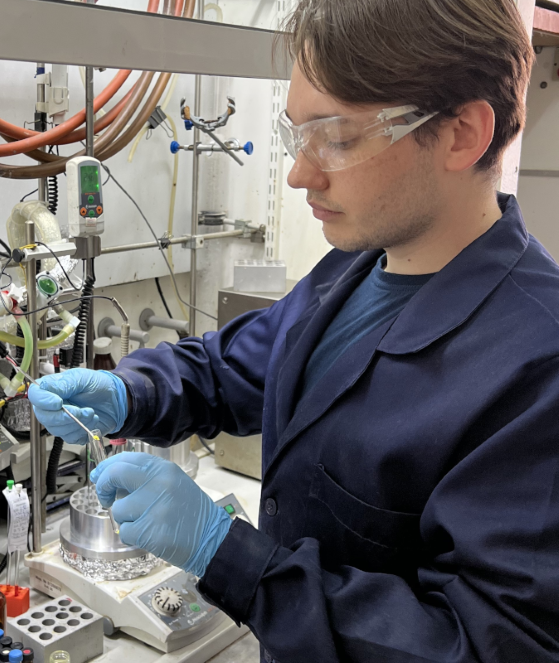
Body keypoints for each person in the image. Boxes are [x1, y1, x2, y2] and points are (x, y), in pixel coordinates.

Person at [28, 1, 556, 660]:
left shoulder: (538, 367)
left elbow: (484, 645)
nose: (299, 172)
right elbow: (234, 367)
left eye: (335, 137)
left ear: (460, 134)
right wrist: (130, 392)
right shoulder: (356, 267)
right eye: (296, 134)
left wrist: (228, 555)